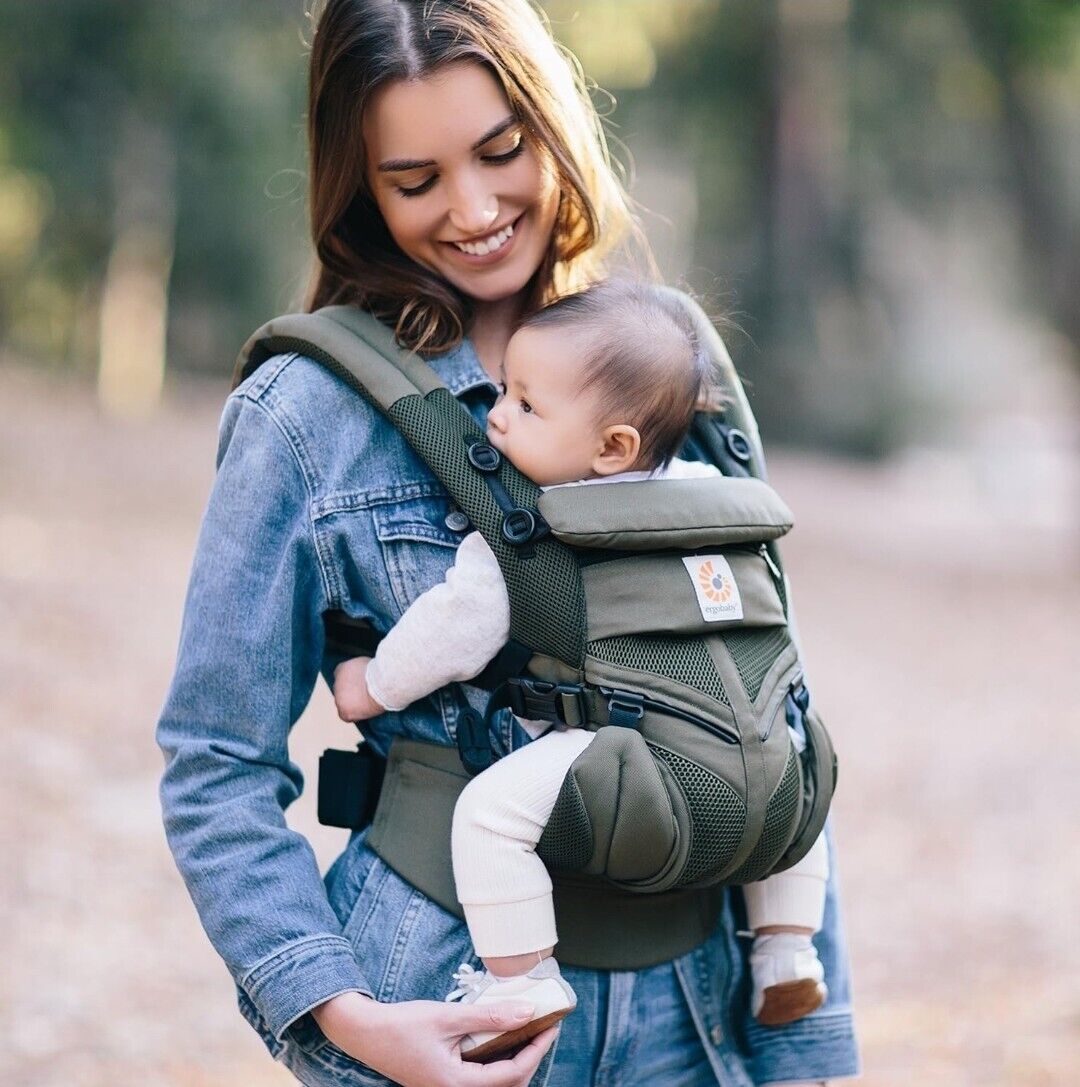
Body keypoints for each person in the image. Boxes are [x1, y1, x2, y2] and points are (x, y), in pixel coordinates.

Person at [157, 2, 858, 1085]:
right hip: (448, 1004)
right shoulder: (304, 411)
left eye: (501, 151)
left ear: (553, 126)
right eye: (415, 179)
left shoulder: (669, 356)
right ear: (359, 188)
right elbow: (216, 762)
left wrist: (808, 1049)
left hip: (702, 1010)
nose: (475, 209)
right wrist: (340, 1013)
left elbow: (767, 713)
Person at [332, 280, 831, 1062]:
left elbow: (449, 633)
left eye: (526, 406)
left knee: (489, 815)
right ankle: (787, 948)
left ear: (612, 449)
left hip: (625, 761)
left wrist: (373, 684)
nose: (495, 415)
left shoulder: (533, 532)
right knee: (785, 787)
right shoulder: (717, 498)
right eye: (503, 390)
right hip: (743, 759)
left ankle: (524, 976)